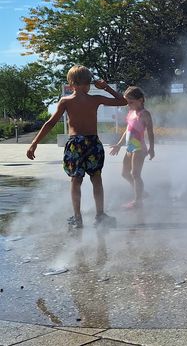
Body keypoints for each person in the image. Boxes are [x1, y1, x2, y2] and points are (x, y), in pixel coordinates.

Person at [26, 65, 128, 228]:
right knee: (96, 178)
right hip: (93, 143)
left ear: (70, 84)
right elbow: (123, 101)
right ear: (88, 84)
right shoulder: (96, 99)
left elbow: (50, 123)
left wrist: (34, 143)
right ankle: (100, 215)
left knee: (75, 180)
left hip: (75, 144)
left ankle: (77, 218)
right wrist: (106, 87)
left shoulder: (66, 101)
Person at [109, 86, 155, 209]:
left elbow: (150, 132)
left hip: (139, 147)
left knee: (135, 174)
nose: (128, 105)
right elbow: (128, 130)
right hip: (130, 147)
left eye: (130, 102)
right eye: (127, 103)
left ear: (140, 100)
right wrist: (119, 144)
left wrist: (152, 148)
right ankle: (141, 193)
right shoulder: (131, 113)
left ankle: (137, 200)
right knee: (124, 173)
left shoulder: (145, 114)